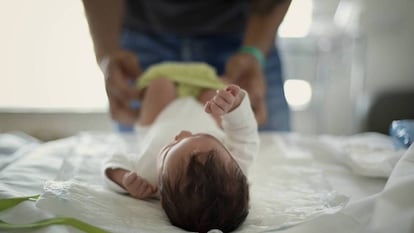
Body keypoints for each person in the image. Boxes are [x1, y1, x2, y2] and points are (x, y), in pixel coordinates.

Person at [82, 0, 292, 132]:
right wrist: (107, 51)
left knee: (267, 152)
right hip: (141, 30)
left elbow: (126, 163)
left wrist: (253, 51)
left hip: (246, 29)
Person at [102, 63, 259, 232]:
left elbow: (113, 160)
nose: (183, 133)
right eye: (204, 136)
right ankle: (218, 100)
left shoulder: (148, 179)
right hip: (206, 112)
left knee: (160, 84)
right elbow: (245, 134)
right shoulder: (235, 168)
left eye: (170, 148)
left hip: (158, 118)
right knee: (219, 92)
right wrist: (233, 107)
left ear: (162, 196)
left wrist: (123, 179)